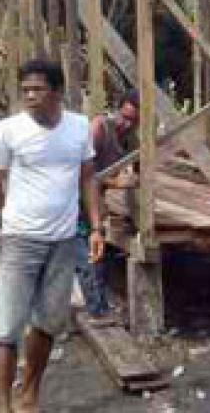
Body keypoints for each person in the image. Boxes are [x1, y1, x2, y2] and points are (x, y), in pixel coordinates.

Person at [0, 59, 104, 413]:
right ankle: (2, 406)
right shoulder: (8, 131)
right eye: (26, 90)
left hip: (63, 242)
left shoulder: (78, 128)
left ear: (57, 92)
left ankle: (28, 396)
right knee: (6, 328)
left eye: (38, 89)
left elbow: (88, 178)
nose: (30, 96)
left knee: (48, 323)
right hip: (19, 241)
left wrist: (96, 227)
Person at [75, 89, 140, 322]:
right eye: (124, 117)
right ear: (117, 110)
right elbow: (82, 173)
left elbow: (140, 168)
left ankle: (97, 303)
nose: (126, 124)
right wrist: (116, 182)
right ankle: (98, 310)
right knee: (87, 254)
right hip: (75, 197)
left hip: (94, 197)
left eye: (132, 121)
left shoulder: (132, 138)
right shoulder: (99, 127)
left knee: (96, 251)